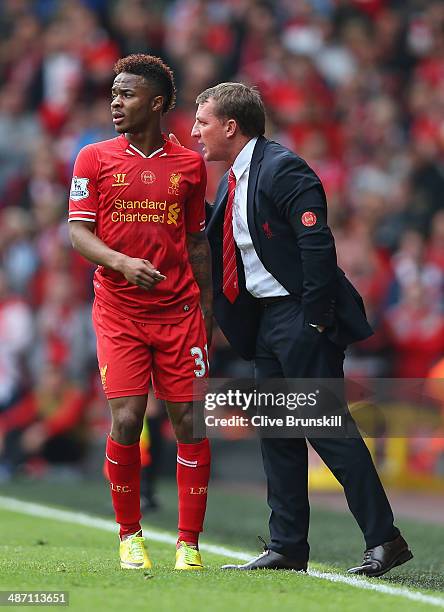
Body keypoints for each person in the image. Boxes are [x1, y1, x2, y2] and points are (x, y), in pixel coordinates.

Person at [190, 82, 412, 576]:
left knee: (328, 430)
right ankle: (288, 546)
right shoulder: (231, 179)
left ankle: (385, 538)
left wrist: (314, 320)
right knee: (278, 435)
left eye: (202, 122)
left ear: (231, 126)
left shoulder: (282, 167)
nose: (194, 131)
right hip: (267, 321)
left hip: (298, 316)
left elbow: (317, 246)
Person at [68, 54, 212, 571]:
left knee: (190, 421)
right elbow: (78, 232)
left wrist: (208, 314)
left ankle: (188, 543)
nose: (115, 102)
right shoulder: (93, 158)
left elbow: (197, 243)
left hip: (179, 312)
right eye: (113, 93)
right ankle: (130, 535)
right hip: (119, 309)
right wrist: (122, 262)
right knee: (127, 419)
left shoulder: (190, 165)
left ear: (156, 103)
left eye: (126, 95)